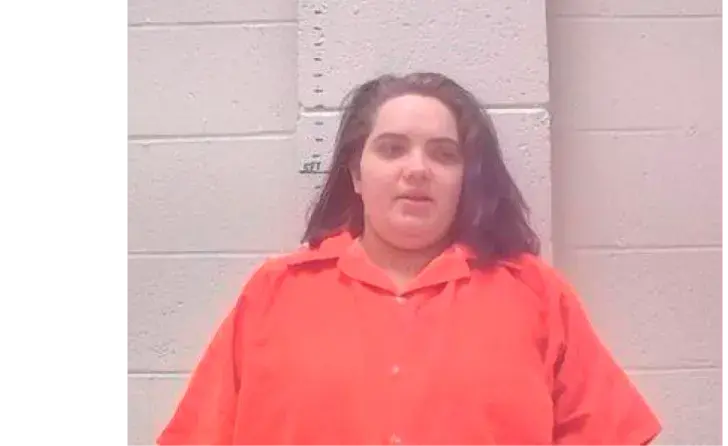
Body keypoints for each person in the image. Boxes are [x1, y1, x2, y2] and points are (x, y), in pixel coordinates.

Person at [156, 72, 662, 446]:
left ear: (466, 179)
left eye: (443, 154)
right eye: (392, 149)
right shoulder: (273, 293)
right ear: (357, 174)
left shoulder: (536, 295)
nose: (417, 169)